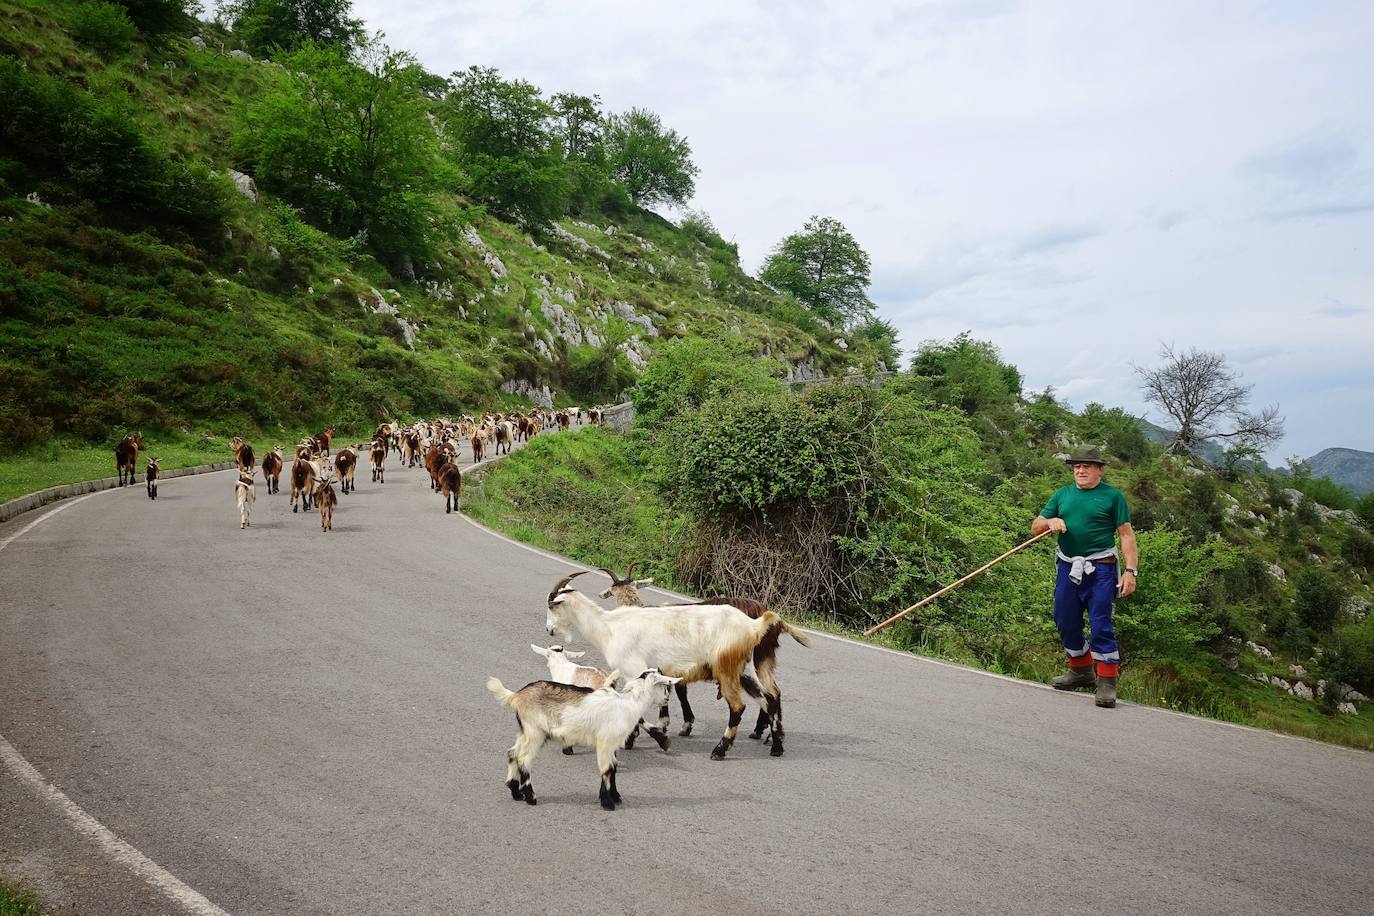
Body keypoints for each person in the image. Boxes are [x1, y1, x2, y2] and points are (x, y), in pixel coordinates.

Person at [1031, 448, 1138, 708]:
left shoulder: (1113, 497)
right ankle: (1080, 670)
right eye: (1077, 466)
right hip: (1068, 565)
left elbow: (1126, 534)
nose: (1080, 471)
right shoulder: (1062, 495)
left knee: (1100, 621)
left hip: (1101, 567)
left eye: (1087, 466)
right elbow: (1036, 526)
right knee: (1064, 618)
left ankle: (1107, 681)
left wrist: (1130, 571)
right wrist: (1051, 522)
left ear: (1099, 469)